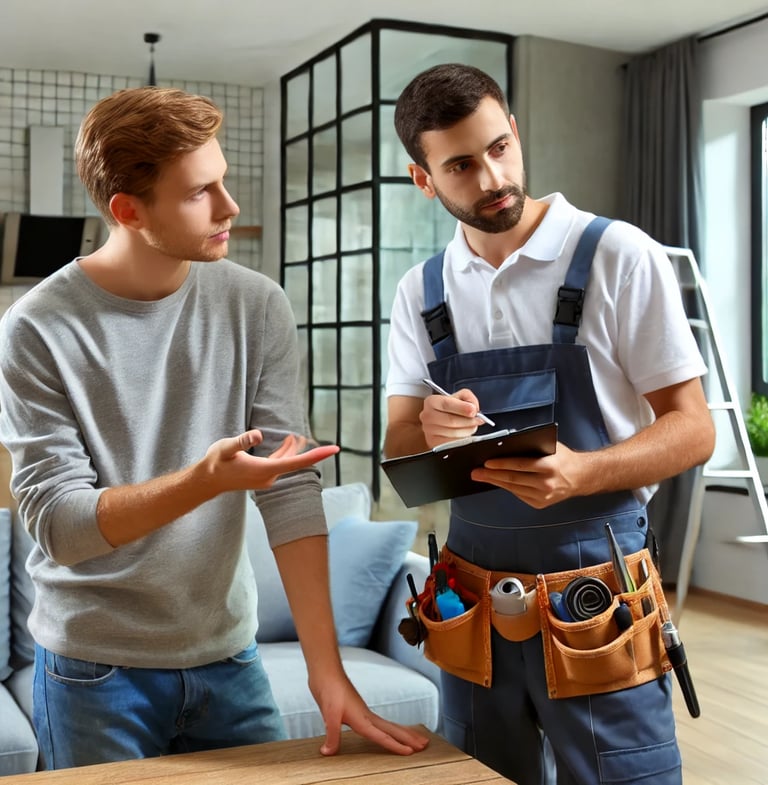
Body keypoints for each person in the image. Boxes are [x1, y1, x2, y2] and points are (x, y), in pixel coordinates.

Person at [0, 86, 428, 770]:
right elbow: (60, 526)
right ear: (127, 210)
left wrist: (327, 668)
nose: (230, 207)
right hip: (92, 672)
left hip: (229, 657)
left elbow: (290, 490)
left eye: (223, 181)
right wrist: (205, 480)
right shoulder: (35, 329)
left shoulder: (256, 305)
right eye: (202, 192)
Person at [384, 63, 715, 785]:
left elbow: (694, 429)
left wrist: (582, 472)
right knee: (482, 776)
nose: (492, 176)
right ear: (423, 179)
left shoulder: (619, 255)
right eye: (462, 165)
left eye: (500, 147)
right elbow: (399, 445)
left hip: (599, 603)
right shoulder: (421, 293)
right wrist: (431, 427)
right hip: (468, 605)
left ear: (516, 133)